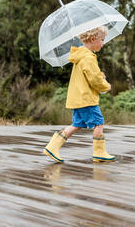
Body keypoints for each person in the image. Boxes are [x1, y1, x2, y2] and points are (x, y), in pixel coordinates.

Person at [43, 26, 114, 163]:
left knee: (77, 124)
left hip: (78, 99)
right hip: (86, 99)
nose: (103, 43)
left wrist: (99, 75)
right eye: (102, 40)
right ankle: (100, 153)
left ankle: (52, 146)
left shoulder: (80, 56)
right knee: (99, 124)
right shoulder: (88, 58)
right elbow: (94, 80)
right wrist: (106, 86)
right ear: (93, 39)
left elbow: (88, 76)